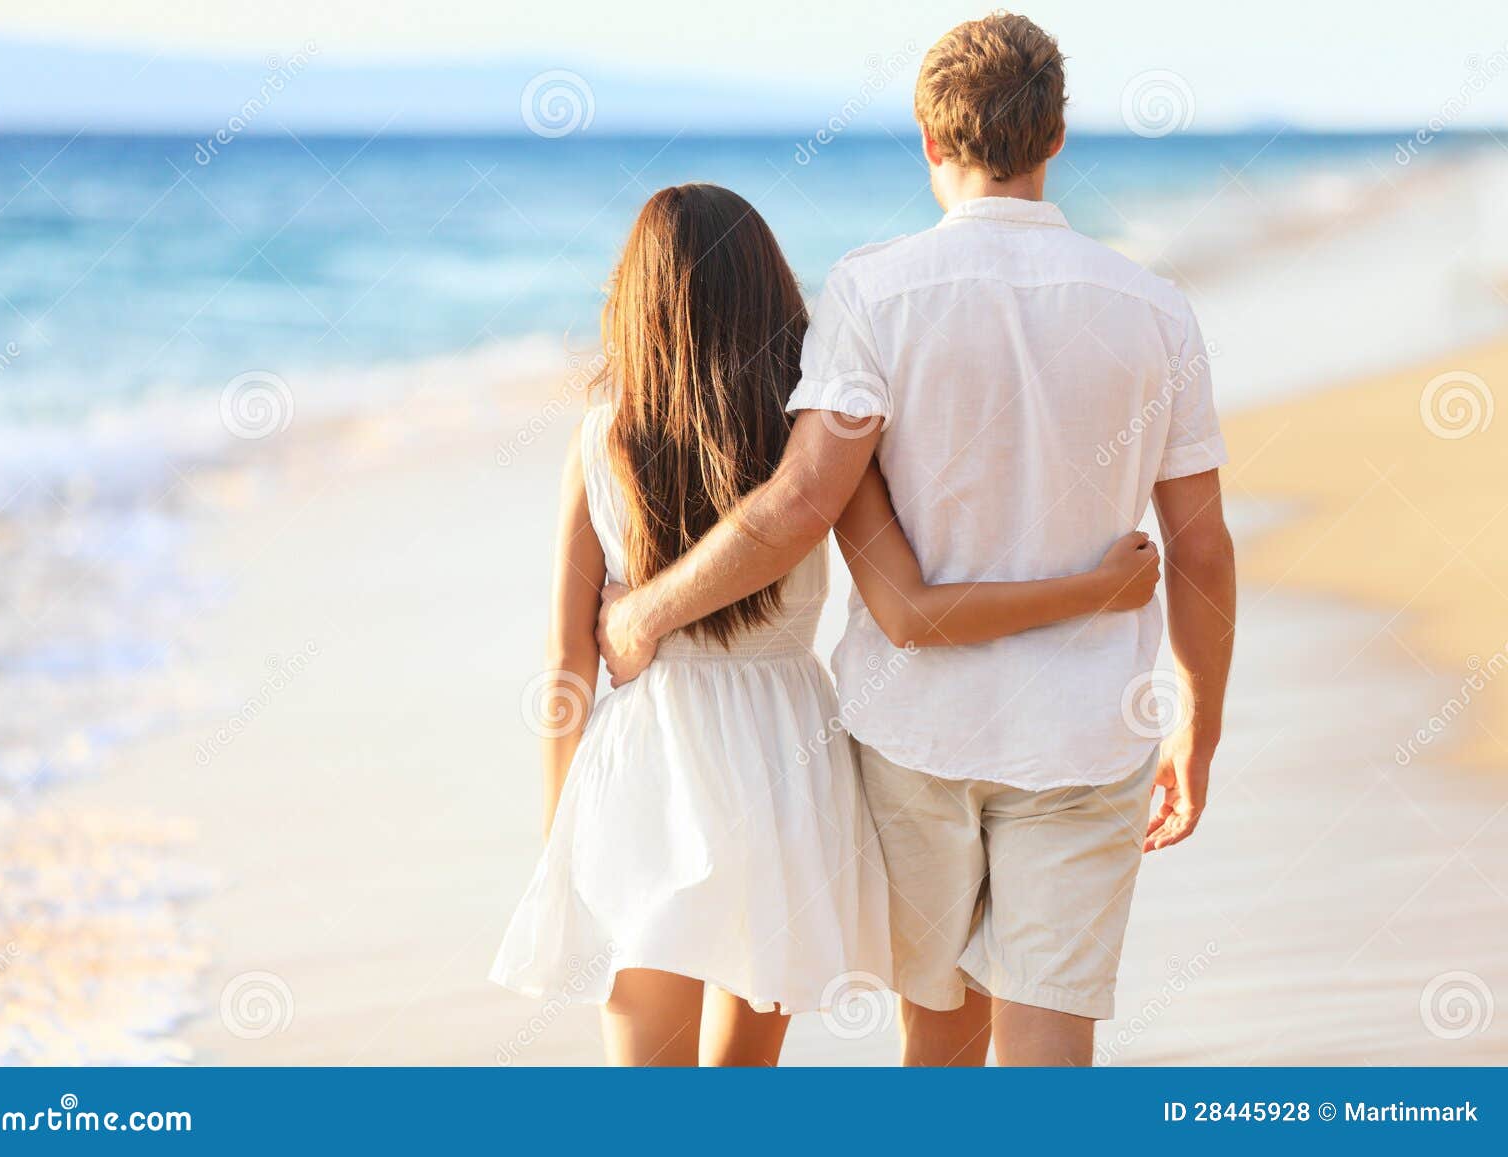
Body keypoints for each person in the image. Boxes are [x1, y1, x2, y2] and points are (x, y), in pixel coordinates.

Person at [597, 14, 1237, 1067]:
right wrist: (1196, 729)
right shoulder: (1154, 309)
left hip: (912, 735)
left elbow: (801, 502)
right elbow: (1201, 551)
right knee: (1048, 1032)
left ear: (930, 141)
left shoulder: (874, 291)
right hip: (1085, 732)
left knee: (937, 1035)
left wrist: (643, 611)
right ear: (1057, 134)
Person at [490, 181, 1164, 1066]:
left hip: (645, 765)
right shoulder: (809, 442)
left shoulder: (603, 433)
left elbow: (565, 659)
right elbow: (911, 605)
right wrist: (1092, 587)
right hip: (783, 759)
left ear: (636, 296)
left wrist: (559, 836)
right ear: (772, 291)